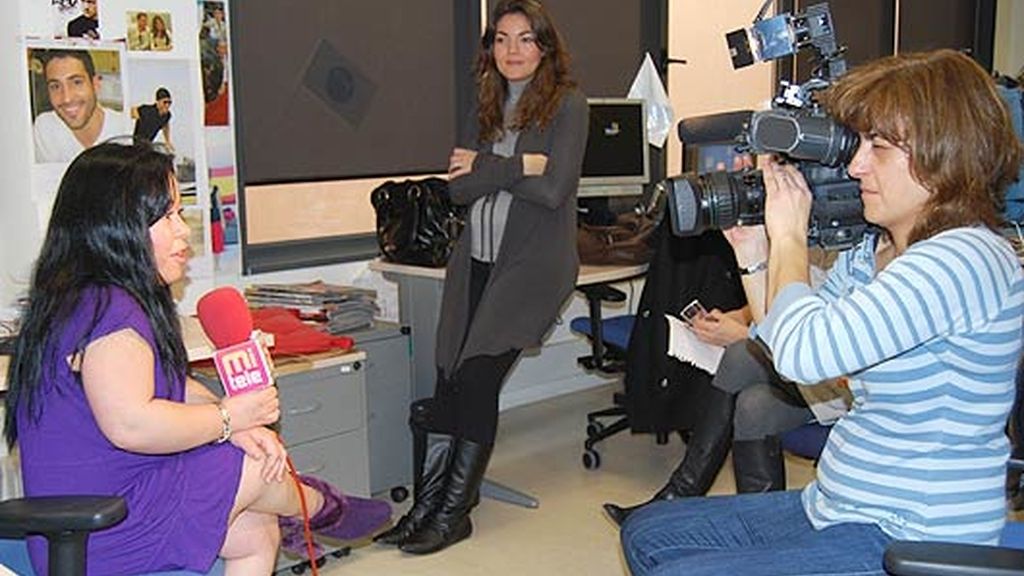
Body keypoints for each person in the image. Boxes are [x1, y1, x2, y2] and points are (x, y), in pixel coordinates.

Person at [621, 49, 1024, 576]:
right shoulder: (876, 250)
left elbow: (806, 356)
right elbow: (781, 347)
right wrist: (753, 251)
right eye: (858, 147)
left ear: (944, 152)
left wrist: (789, 232)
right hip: (837, 505)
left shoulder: (965, 258)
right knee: (648, 533)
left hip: (909, 531)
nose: (856, 167)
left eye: (878, 148)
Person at [4, 140, 391, 575]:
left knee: (257, 531)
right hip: (101, 525)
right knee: (246, 467)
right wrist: (227, 419)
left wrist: (235, 425)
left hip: (110, 505)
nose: (184, 230)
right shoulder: (108, 309)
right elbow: (133, 424)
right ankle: (318, 506)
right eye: (167, 216)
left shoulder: (89, 296)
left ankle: (307, 508)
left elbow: (169, 386)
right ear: (117, 227)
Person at [373, 0, 588, 556]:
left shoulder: (567, 106)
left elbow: (554, 190)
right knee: (447, 373)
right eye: (501, 39)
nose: (511, 51)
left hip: (533, 266)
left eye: (524, 39)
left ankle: (454, 512)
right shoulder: (486, 105)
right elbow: (458, 189)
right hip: (475, 261)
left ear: (545, 47)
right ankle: (426, 504)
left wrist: (493, 170)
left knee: (476, 379)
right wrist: (521, 166)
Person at [603, 305, 815, 525]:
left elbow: (820, 348)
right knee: (754, 404)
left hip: (837, 390)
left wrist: (745, 334)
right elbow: (769, 306)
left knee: (740, 352)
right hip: (799, 382)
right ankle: (760, 524)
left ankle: (679, 494)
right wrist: (726, 321)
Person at [32, 49, 130, 164]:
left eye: (76, 82)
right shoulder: (45, 127)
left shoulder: (124, 129)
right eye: (55, 86)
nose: (66, 98)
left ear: (96, 84)